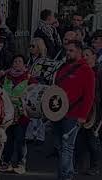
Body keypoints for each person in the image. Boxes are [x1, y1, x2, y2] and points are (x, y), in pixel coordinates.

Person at [53, 40, 95, 180]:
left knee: (67, 148)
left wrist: (83, 116)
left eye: (71, 50)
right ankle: (63, 175)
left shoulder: (86, 70)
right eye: (67, 50)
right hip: (58, 112)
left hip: (73, 114)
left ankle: (66, 176)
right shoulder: (63, 67)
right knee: (60, 147)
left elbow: (89, 96)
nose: (68, 53)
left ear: (79, 52)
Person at [74, 47, 101, 176]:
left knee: (92, 139)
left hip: (95, 110)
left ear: (94, 57)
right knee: (80, 139)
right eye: (83, 55)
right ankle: (80, 165)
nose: (85, 57)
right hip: (81, 109)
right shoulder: (81, 70)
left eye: (88, 55)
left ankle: (95, 166)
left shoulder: (99, 71)